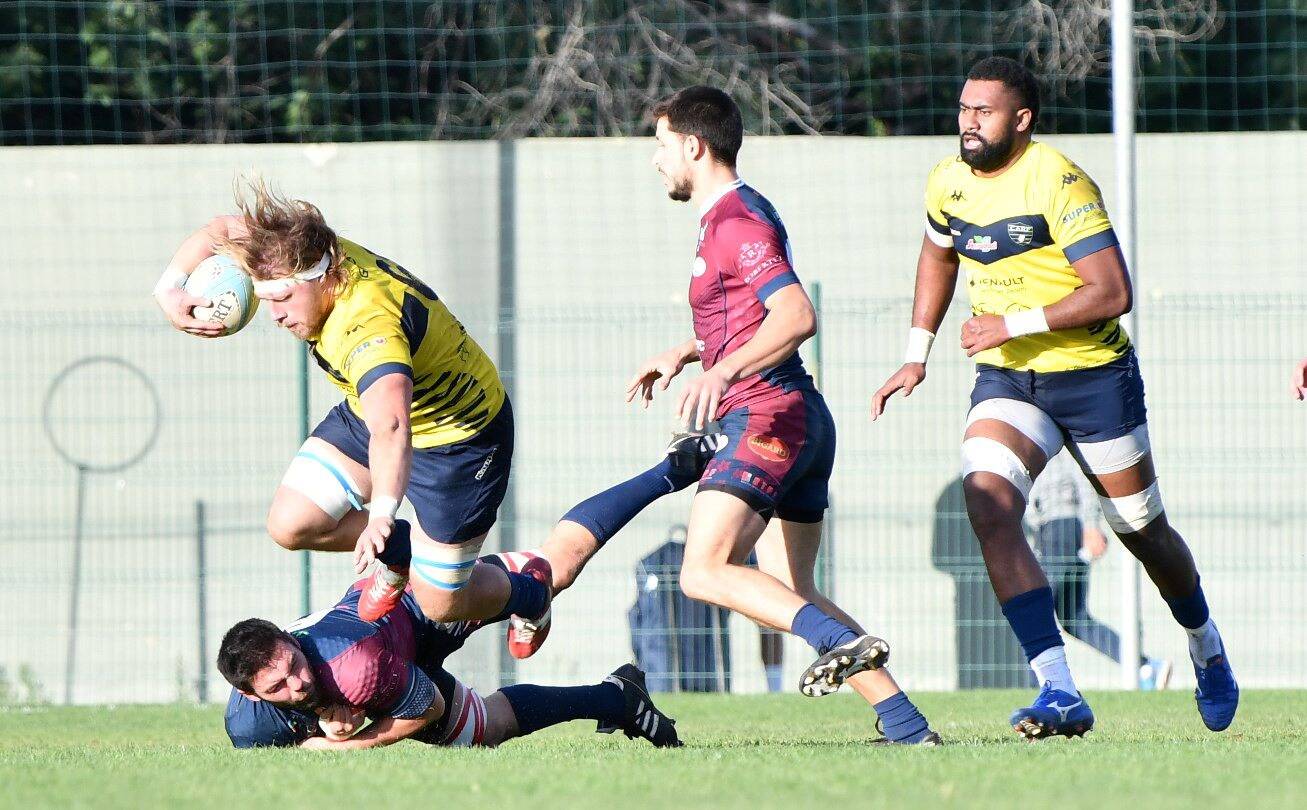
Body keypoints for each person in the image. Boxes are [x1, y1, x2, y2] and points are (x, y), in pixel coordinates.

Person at [872, 56, 1237, 739]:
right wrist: (914, 355)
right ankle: (1060, 690)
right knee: (987, 502)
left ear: (1021, 119)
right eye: (962, 108)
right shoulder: (947, 182)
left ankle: (1205, 645)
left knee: (1139, 532)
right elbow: (936, 254)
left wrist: (1010, 323)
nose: (968, 122)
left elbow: (1112, 292)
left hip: (1092, 378)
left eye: (983, 111)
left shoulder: (1058, 179)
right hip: (1010, 380)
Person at [628, 86, 939, 744]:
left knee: (703, 570)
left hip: (768, 418)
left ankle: (836, 644)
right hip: (795, 417)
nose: (654, 160)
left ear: (692, 145)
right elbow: (745, 316)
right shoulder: (723, 221)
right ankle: (907, 725)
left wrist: (720, 370)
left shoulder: (738, 220)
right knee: (790, 591)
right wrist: (688, 351)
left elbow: (796, 316)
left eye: (659, 146)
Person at [154, 181, 551, 639]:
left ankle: (530, 593)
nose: (276, 316)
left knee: (441, 603)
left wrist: (381, 513)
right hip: (379, 413)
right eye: (266, 300)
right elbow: (221, 228)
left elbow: (392, 426)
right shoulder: (305, 252)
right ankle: (402, 553)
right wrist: (169, 288)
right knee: (292, 524)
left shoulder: (367, 327)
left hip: (457, 440)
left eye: (283, 299)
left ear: (324, 278)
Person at [219, 578, 680, 750]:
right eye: (277, 688)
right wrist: (324, 731)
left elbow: (426, 705)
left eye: (294, 667)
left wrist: (346, 744)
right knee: (491, 727)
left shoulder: (350, 662)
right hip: (390, 664)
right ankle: (615, 697)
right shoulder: (249, 728)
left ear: (289, 639)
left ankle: (672, 472)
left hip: (408, 627)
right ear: (249, 695)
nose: (296, 687)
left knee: (553, 565)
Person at [1027, 450, 1171, 689]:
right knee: (1074, 617)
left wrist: (1091, 526)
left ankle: (1045, 689)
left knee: (1035, 613)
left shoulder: (1051, 440)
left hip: (1061, 527)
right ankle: (1146, 667)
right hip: (1048, 531)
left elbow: (1083, 480)